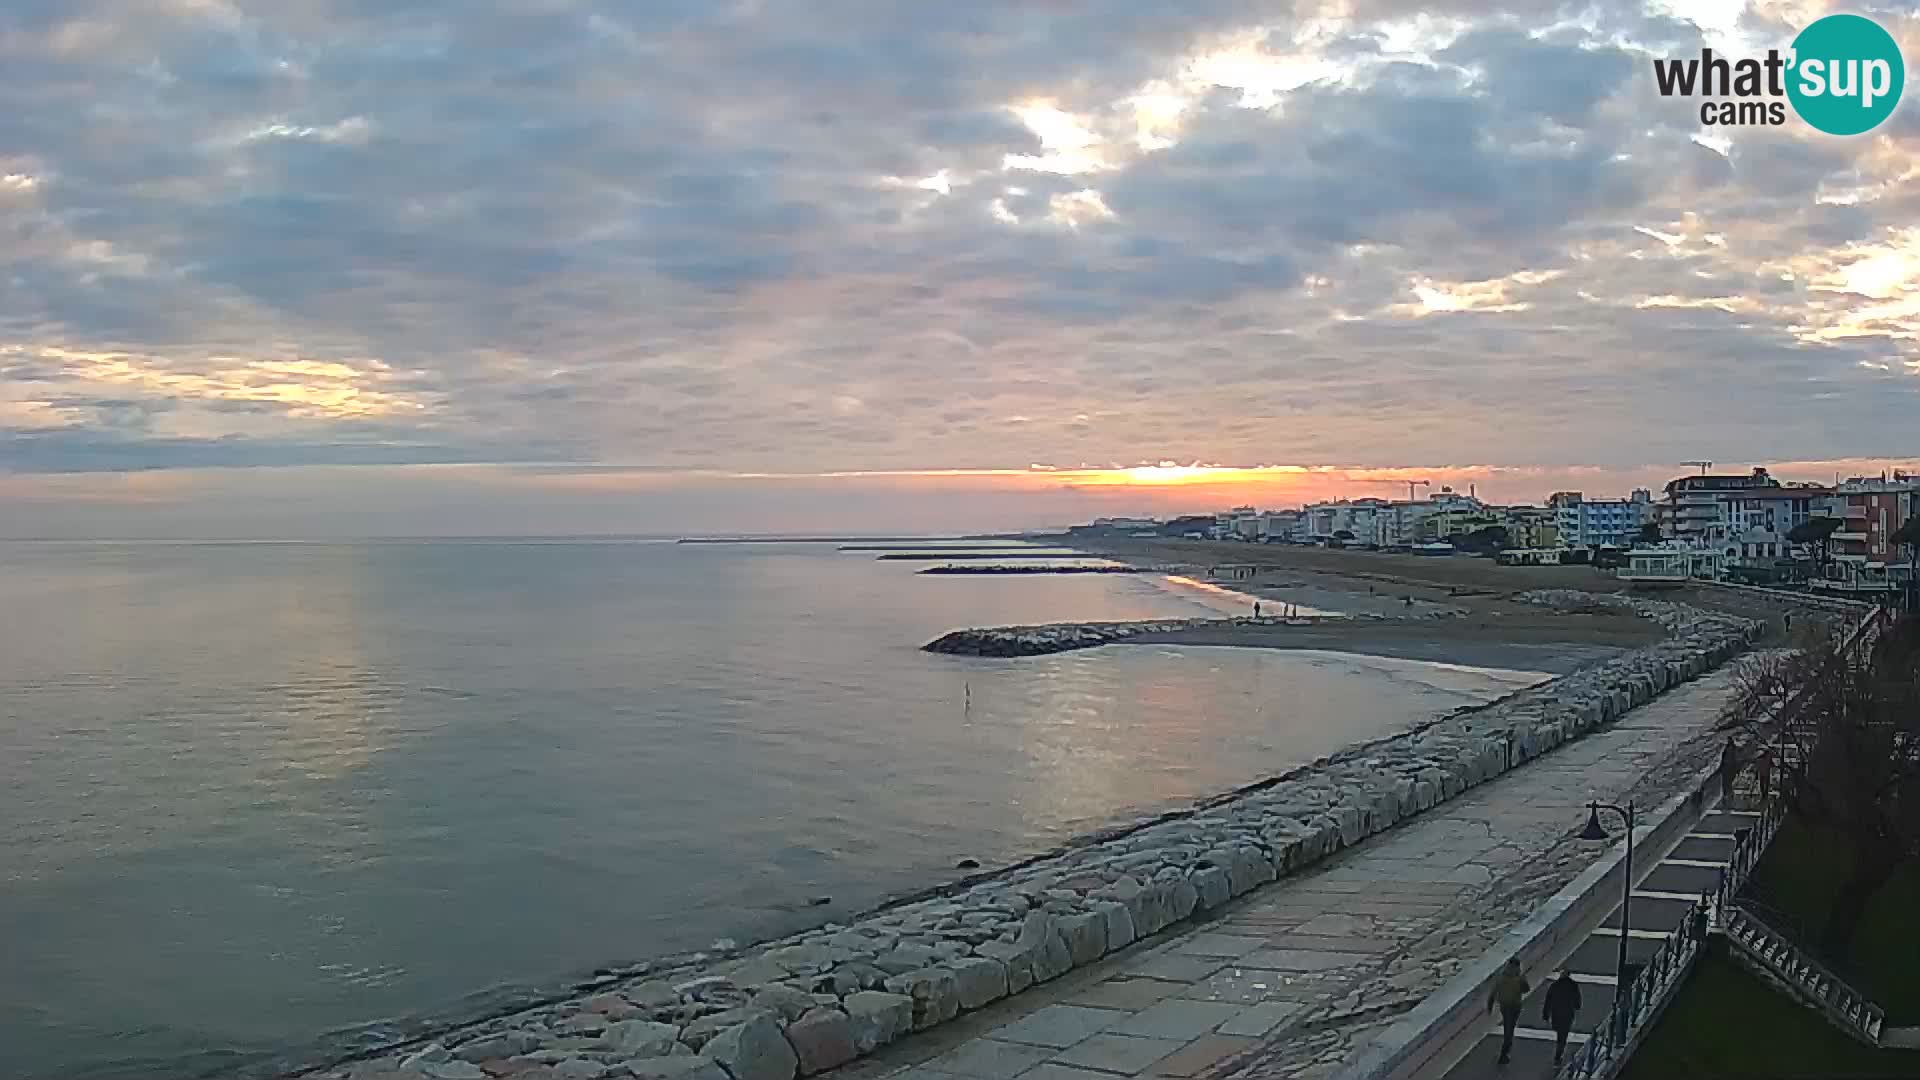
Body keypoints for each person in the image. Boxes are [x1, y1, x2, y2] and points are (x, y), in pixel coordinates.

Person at [1488, 958, 1530, 1065]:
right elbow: (1526, 989)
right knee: (1510, 1029)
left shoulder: (1501, 977)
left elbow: (1493, 992)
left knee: (1508, 1026)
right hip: (1515, 1006)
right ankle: (1504, 1053)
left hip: (1504, 1006)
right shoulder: (1519, 977)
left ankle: (1505, 1052)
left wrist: (1490, 1005)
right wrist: (1523, 979)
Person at [1542, 969, 1583, 1067]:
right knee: (1563, 1036)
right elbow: (1578, 1001)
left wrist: (1546, 1014)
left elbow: (1548, 1000)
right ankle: (1558, 1055)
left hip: (1556, 1014)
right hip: (1568, 1015)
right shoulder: (1573, 986)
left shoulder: (1554, 985)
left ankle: (1558, 1054)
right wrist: (1577, 1006)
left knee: (1559, 1033)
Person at [1719, 736, 1740, 803]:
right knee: (1727, 783)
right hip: (1728, 767)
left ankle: (1726, 795)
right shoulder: (1733, 748)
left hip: (1728, 767)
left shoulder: (1732, 748)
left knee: (1726, 783)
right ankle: (1726, 795)